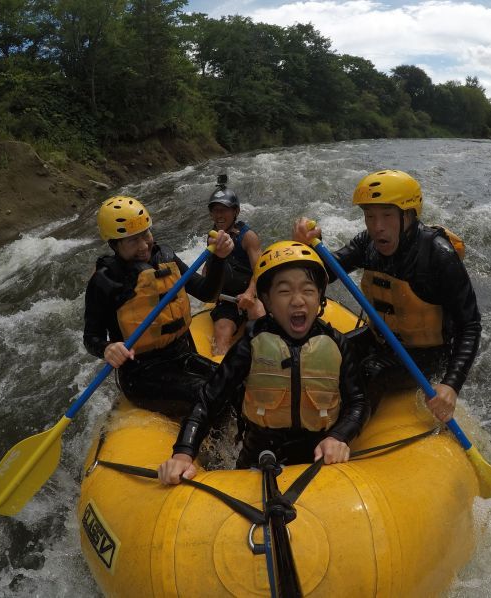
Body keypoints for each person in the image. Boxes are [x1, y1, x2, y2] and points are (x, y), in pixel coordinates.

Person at [157, 241, 369, 484]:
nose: (298, 301)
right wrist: (183, 453)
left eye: (308, 290)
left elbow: (358, 402)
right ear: (266, 300)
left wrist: (339, 436)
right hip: (259, 459)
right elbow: (208, 400)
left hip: (319, 460)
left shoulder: (338, 344)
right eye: (284, 291)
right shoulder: (250, 344)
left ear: (320, 296)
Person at [292, 170, 481, 424]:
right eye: (370, 216)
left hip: (425, 355)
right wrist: (308, 248)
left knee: (372, 371)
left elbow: (469, 325)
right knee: (326, 350)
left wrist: (451, 384)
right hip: (382, 339)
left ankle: (341, 435)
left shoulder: (438, 255)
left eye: (387, 216)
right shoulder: (367, 243)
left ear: (409, 216)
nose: (377, 226)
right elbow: (327, 272)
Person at [83, 195, 235, 416]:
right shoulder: (105, 281)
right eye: (133, 241)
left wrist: (219, 259)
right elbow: (90, 337)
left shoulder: (165, 256)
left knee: (233, 382)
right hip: (142, 374)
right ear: (114, 244)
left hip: (183, 356)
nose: (144, 245)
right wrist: (107, 348)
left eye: (146, 234)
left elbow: (207, 293)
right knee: (206, 395)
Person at [205, 174, 265, 355]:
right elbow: (209, 267)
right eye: (215, 210)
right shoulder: (212, 237)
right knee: (222, 335)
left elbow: (260, 271)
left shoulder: (248, 237)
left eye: (224, 210)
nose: (219, 215)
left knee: (259, 317)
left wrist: (249, 293)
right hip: (227, 298)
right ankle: (225, 374)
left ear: (236, 212)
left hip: (250, 295)